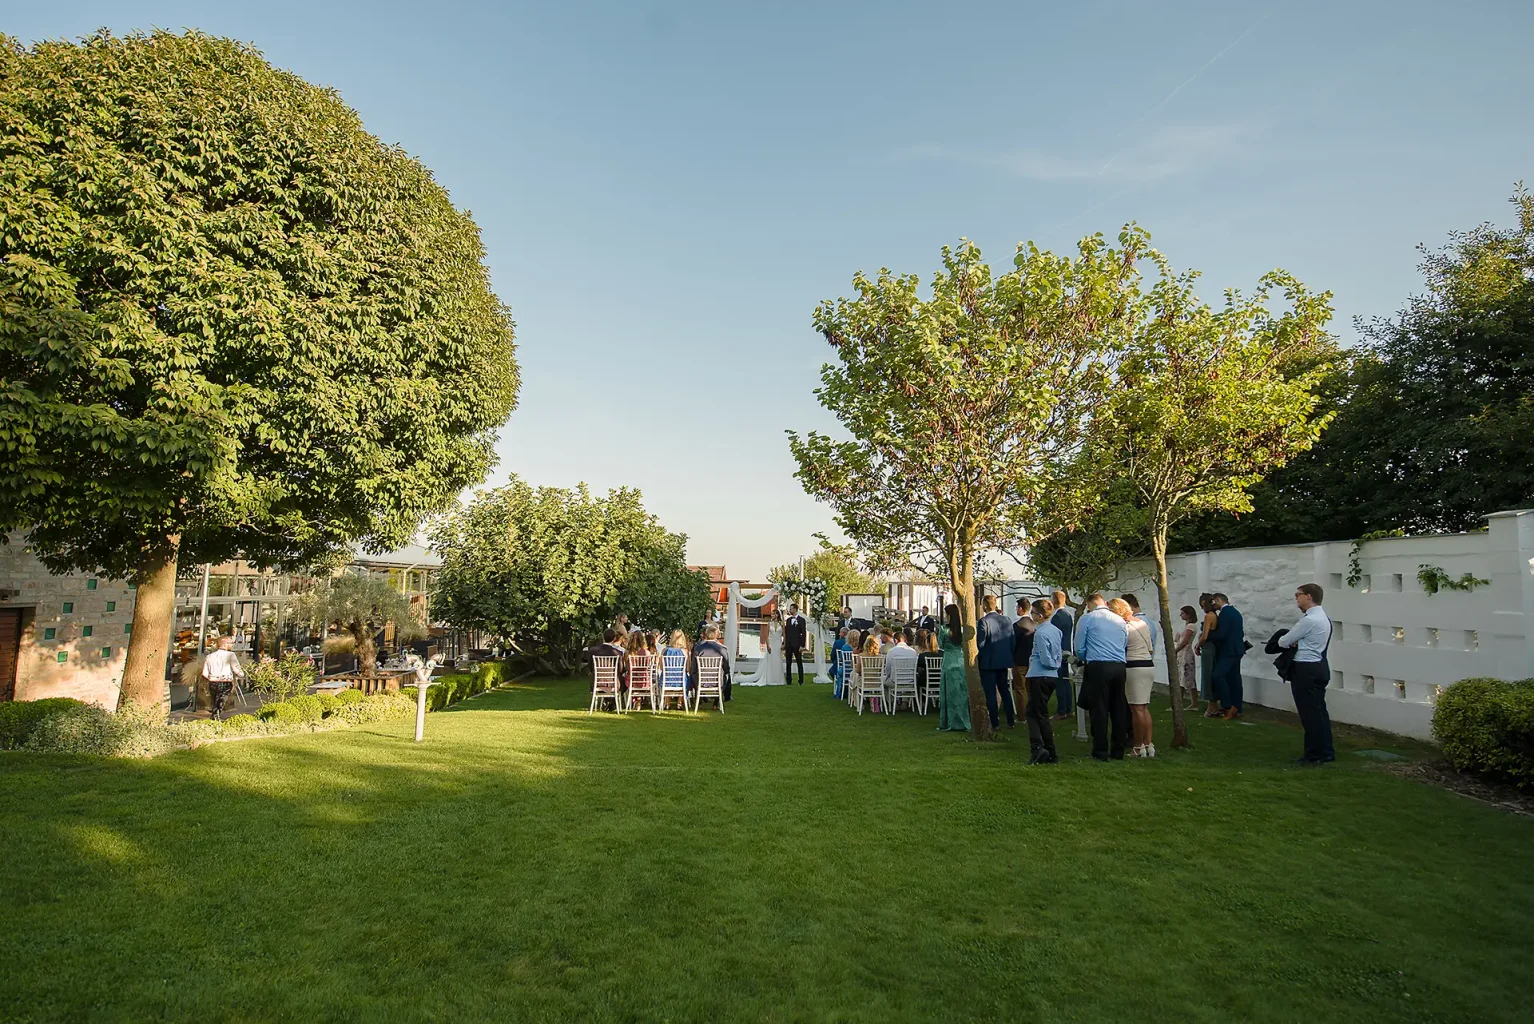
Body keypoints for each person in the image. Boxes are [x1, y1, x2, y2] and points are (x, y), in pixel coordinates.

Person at [1277, 583, 1334, 764]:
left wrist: (1290, 641)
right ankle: (1326, 751)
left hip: (1305, 669)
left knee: (1309, 714)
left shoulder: (1309, 620)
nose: (1296, 598)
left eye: (1298, 594)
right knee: (1319, 712)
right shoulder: (1324, 618)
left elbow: (1284, 641)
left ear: (1308, 596)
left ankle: (1313, 754)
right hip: (1319, 666)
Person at [1075, 593, 1129, 760]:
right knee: (1118, 708)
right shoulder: (1119, 620)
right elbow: (1124, 642)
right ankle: (1118, 749)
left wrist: (1084, 659)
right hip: (1119, 666)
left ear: (1090, 604)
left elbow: (1080, 646)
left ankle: (1100, 751)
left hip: (1098, 665)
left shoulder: (1088, 618)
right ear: (1104, 602)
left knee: (1099, 709)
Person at [1117, 596, 1157, 757]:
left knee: (1136, 709)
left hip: (1134, 665)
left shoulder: (1125, 626)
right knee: (1143, 708)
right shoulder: (1143, 623)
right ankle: (1148, 744)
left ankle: (1138, 746)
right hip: (1147, 664)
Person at [1024, 599, 1062, 764]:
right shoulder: (1056, 631)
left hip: (1039, 674)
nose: (1031, 616)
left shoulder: (1040, 633)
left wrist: (1051, 664)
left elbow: (1045, 656)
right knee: (1039, 713)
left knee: (1034, 714)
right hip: (1051, 675)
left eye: (1032, 613)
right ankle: (1047, 750)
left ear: (1039, 615)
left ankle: (1039, 749)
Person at [976, 594, 1016, 729]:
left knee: (990, 692)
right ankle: (1011, 719)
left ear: (985, 606)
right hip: (1003, 661)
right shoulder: (1007, 620)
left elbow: (980, 644)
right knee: (1005, 690)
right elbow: (1012, 641)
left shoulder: (983, 621)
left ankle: (994, 722)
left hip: (988, 663)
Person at [1209, 592, 1246, 719]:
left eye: (1213, 601)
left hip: (1229, 651)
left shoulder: (1225, 613)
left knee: (1217, 675)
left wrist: (1207, 635)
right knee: (1234, 679)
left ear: (1219, 600)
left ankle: (1228, 706)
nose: (1212, 605)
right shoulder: (1235, 612)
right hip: (1237, 649)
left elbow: (1221, 634)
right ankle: (1237, 706)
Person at [936, 604, 971, 732]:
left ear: (949, 615)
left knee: (948, 692)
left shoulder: (943, 629)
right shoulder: (962, 630)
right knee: (961, 692)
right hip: (960, 661)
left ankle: (948, 721)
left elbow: (941, 644)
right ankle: (963, 720)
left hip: (949, 661)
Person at [201, 635, 245, 721]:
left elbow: (205, 673)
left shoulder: (209, 656)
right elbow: (237, 670)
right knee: (220, 703)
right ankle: (215, 719)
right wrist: (242, 674)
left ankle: (214, 719)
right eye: (230, 643)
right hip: (225, 681)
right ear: (224, 644)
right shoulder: (230, 655)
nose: (232, 645)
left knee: (215, 703)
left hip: (212, 682)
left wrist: (213, 677)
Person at [1010, 598, 1037, 726]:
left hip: (1019, 661)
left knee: (1020, 689)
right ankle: (1032, 713)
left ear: (1021, 608)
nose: (1016, 610)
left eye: (1017, 607)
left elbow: (1013, 644)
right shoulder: (1035, 625)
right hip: (1032, 661)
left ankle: (1022, 716)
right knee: (1030, 689)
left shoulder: (1017, 625)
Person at [691, 624, 732, 703]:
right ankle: (715, 703)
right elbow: (726, 668)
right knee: (725, 675)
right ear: (717, 635)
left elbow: (693, 668)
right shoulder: (722, 649)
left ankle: (699, 701)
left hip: (701, 681)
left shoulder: (698, 648)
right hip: (717, 681)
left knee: (694, 674)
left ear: (706, 634)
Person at [1050, 591, 1075, 720]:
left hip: (1058, 652)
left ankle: (1062, 711)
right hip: (1067, 650)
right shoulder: (1068, 615)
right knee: (1066, 681)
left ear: (1054, 601)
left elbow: (1053, 636)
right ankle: (1069, 709)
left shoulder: (1057, 617)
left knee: (1060, 681)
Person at [1195, 594, 1220, 716]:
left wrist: (1197, 645)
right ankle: (1213, 705)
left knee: (1207, 675)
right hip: (1212, 648)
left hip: (1208, 649)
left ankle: (1212, 706)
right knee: (1209, 674)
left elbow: (1205, 636)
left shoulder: (1209, 616)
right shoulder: (1215, 615)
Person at [881, 628, 919, 706]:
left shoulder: (891, 651)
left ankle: (891, 702)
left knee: (882, 680)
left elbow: (887, 668)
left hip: (895, 682)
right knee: (906, 678)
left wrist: (887, 676)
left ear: (895, 641)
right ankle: (905, 702)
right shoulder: (913, 652)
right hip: (910, 681)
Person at [1174, 605, 1200, 712]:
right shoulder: (1185, 626)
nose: (1181, 615)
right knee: (1181, 679)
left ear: (1188, 614)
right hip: (1181, 654)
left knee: (1188, 678)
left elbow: (1185, 642)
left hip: (1186, 654)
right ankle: (1178, 702)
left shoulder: (1191, 626)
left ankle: (1194, 703)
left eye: (1183, 613)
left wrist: (1175, 650)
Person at [783, 603, 808, 685]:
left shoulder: (801, 620)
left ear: (795, 609)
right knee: (788, 663)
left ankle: (801, 680)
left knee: (799, 662)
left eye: (791, 609)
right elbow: (786, 632)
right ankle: (788, 680)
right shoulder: (788, 620)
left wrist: (802, 645)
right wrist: (784, 643)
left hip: (797, 645)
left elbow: (803, 633)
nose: (790, 610)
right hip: (789, 645)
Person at [760, 610, 785, 686]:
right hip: (771, 644)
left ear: (777, 615)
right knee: (770, 661)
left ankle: (778, 679)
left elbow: (784, 635)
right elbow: (766, 636)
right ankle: (770, 679)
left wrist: (784, 644)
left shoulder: (782, 624)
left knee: (778, 661)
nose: (771, 616)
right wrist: (767, 645)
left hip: (778, 644)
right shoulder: (769, 624)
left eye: (773, 614)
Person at [831, 627, 852, 698]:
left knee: (833, 671)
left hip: (844, 668)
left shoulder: (840, 643)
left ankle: (841, 690)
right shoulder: (857, 647)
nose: (839, 634)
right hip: (854, 669)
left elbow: (834, 656)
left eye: (840, 632)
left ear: (843, 634)